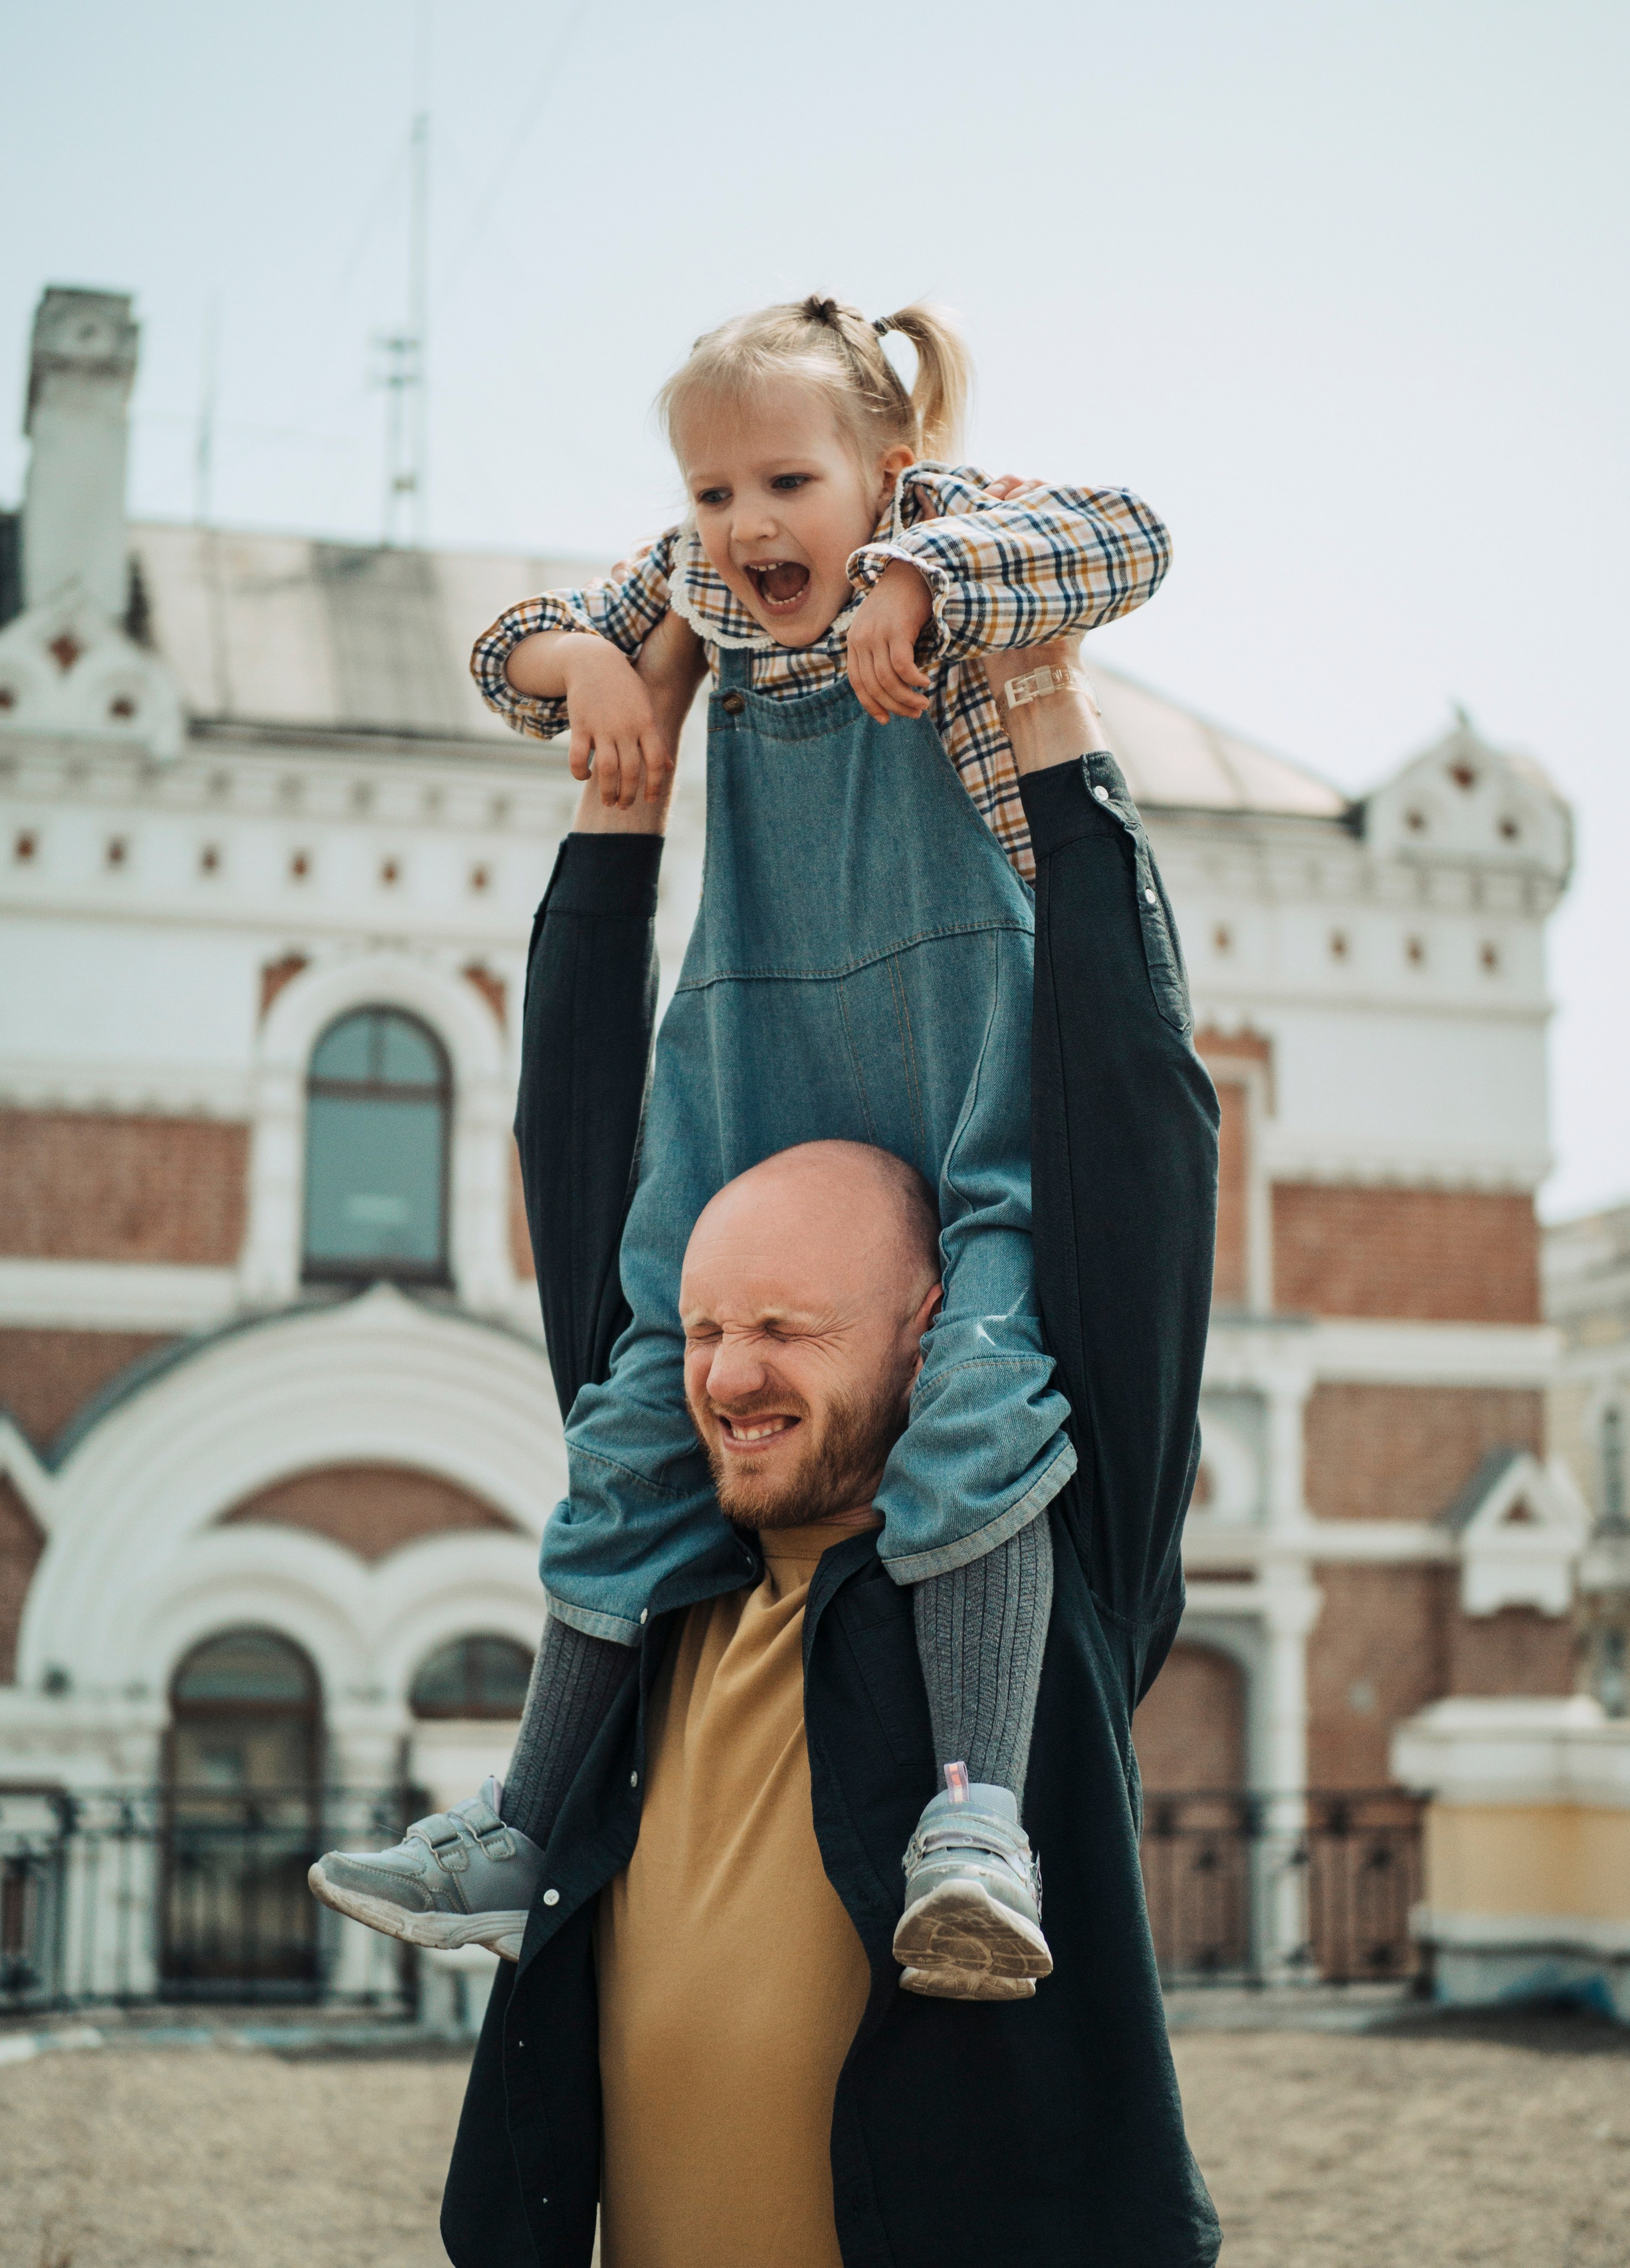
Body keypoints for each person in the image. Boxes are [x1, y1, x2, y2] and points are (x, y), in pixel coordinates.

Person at [311, 295, 1172, 1995]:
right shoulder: (697, 586)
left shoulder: (946, 530)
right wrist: (582, 669)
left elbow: (1123, 535)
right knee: (651, 1363)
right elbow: (518, 642)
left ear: (887, 465)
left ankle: (973, 1821)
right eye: (708, 493)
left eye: (783, 480)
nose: (741, 528)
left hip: (965, 1032)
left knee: (982, 1367)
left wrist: (934, 586)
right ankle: (521, 1824)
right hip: (755, 1036)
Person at [434, 623, 1221, 2268]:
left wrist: (1051, 727)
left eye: (787, 1332)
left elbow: (1135, 1115)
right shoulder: (667, 1557)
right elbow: (575, 1132)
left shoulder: (1044, 1547)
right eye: (712, 1328)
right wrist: (622, 799)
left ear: (931, 1326)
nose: (728, 1375)